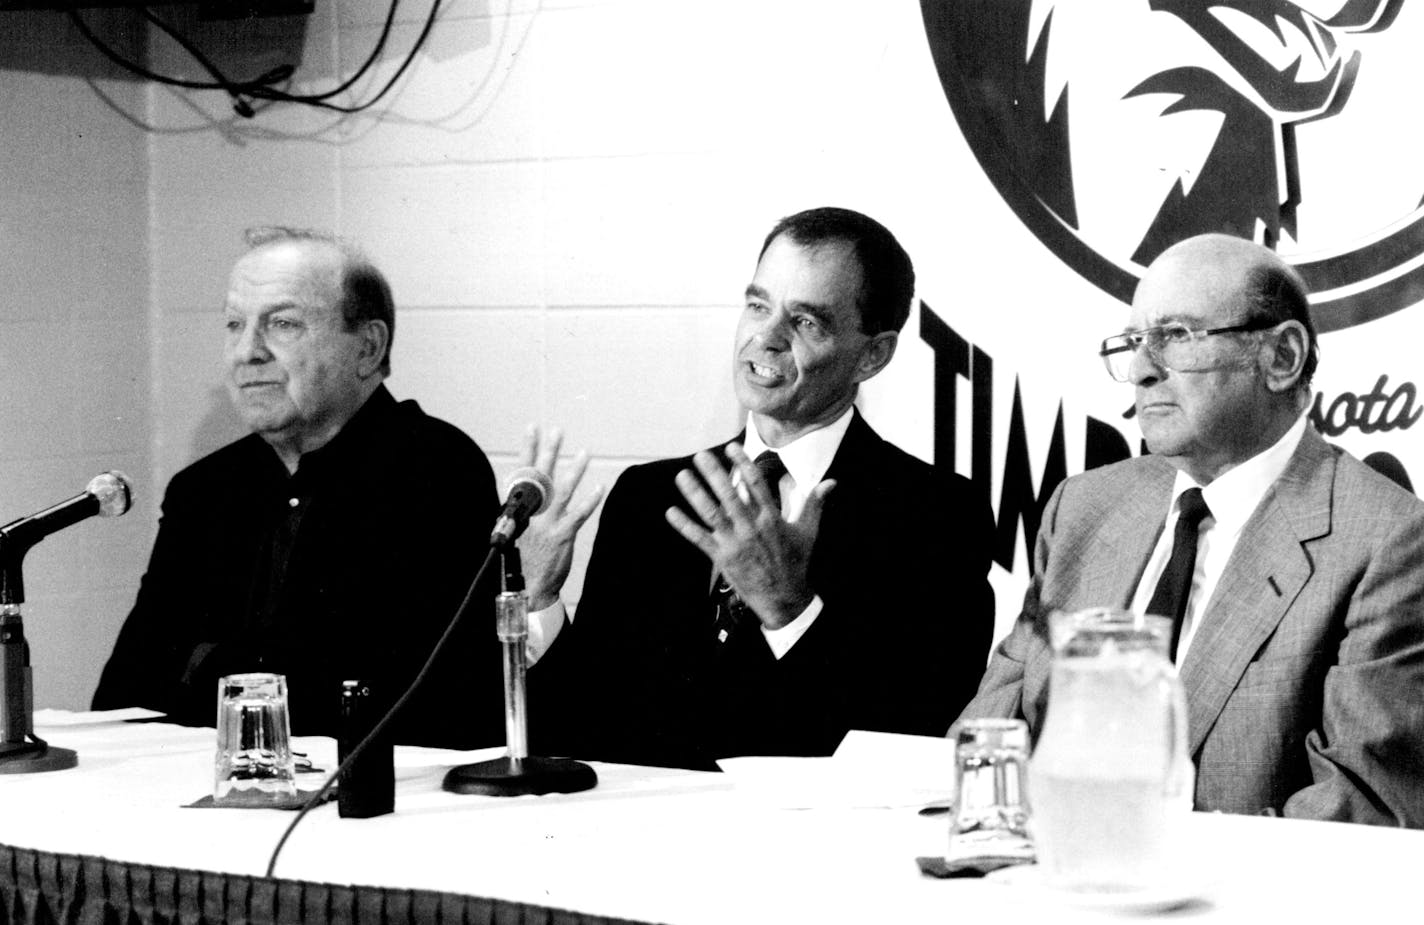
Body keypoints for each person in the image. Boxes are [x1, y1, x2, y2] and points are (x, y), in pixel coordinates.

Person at [959, 232, 1424, 825]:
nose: (1142, 371)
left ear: (1280, 357)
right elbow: (989, 738)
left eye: (1175, 336)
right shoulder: (1083, 507)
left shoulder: (1389, 541)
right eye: (1133, 342)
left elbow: (1362, 810)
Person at [523, 206, 996, 770]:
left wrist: (787, 609)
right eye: (757, 305)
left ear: (872, 355)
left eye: (806, 322)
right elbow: (584, 732)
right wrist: (540, 601)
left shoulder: (938, 515)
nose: (765, 339)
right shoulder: (651, 498)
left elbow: (910, 739)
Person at [93, 228, 503, 748]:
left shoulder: (434, 468)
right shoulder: (205, 489)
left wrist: (208, 665)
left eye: (282, 324)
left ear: (368, 347)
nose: (247, 352)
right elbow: (126, 697)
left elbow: (404, 698)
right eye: (235, 325)